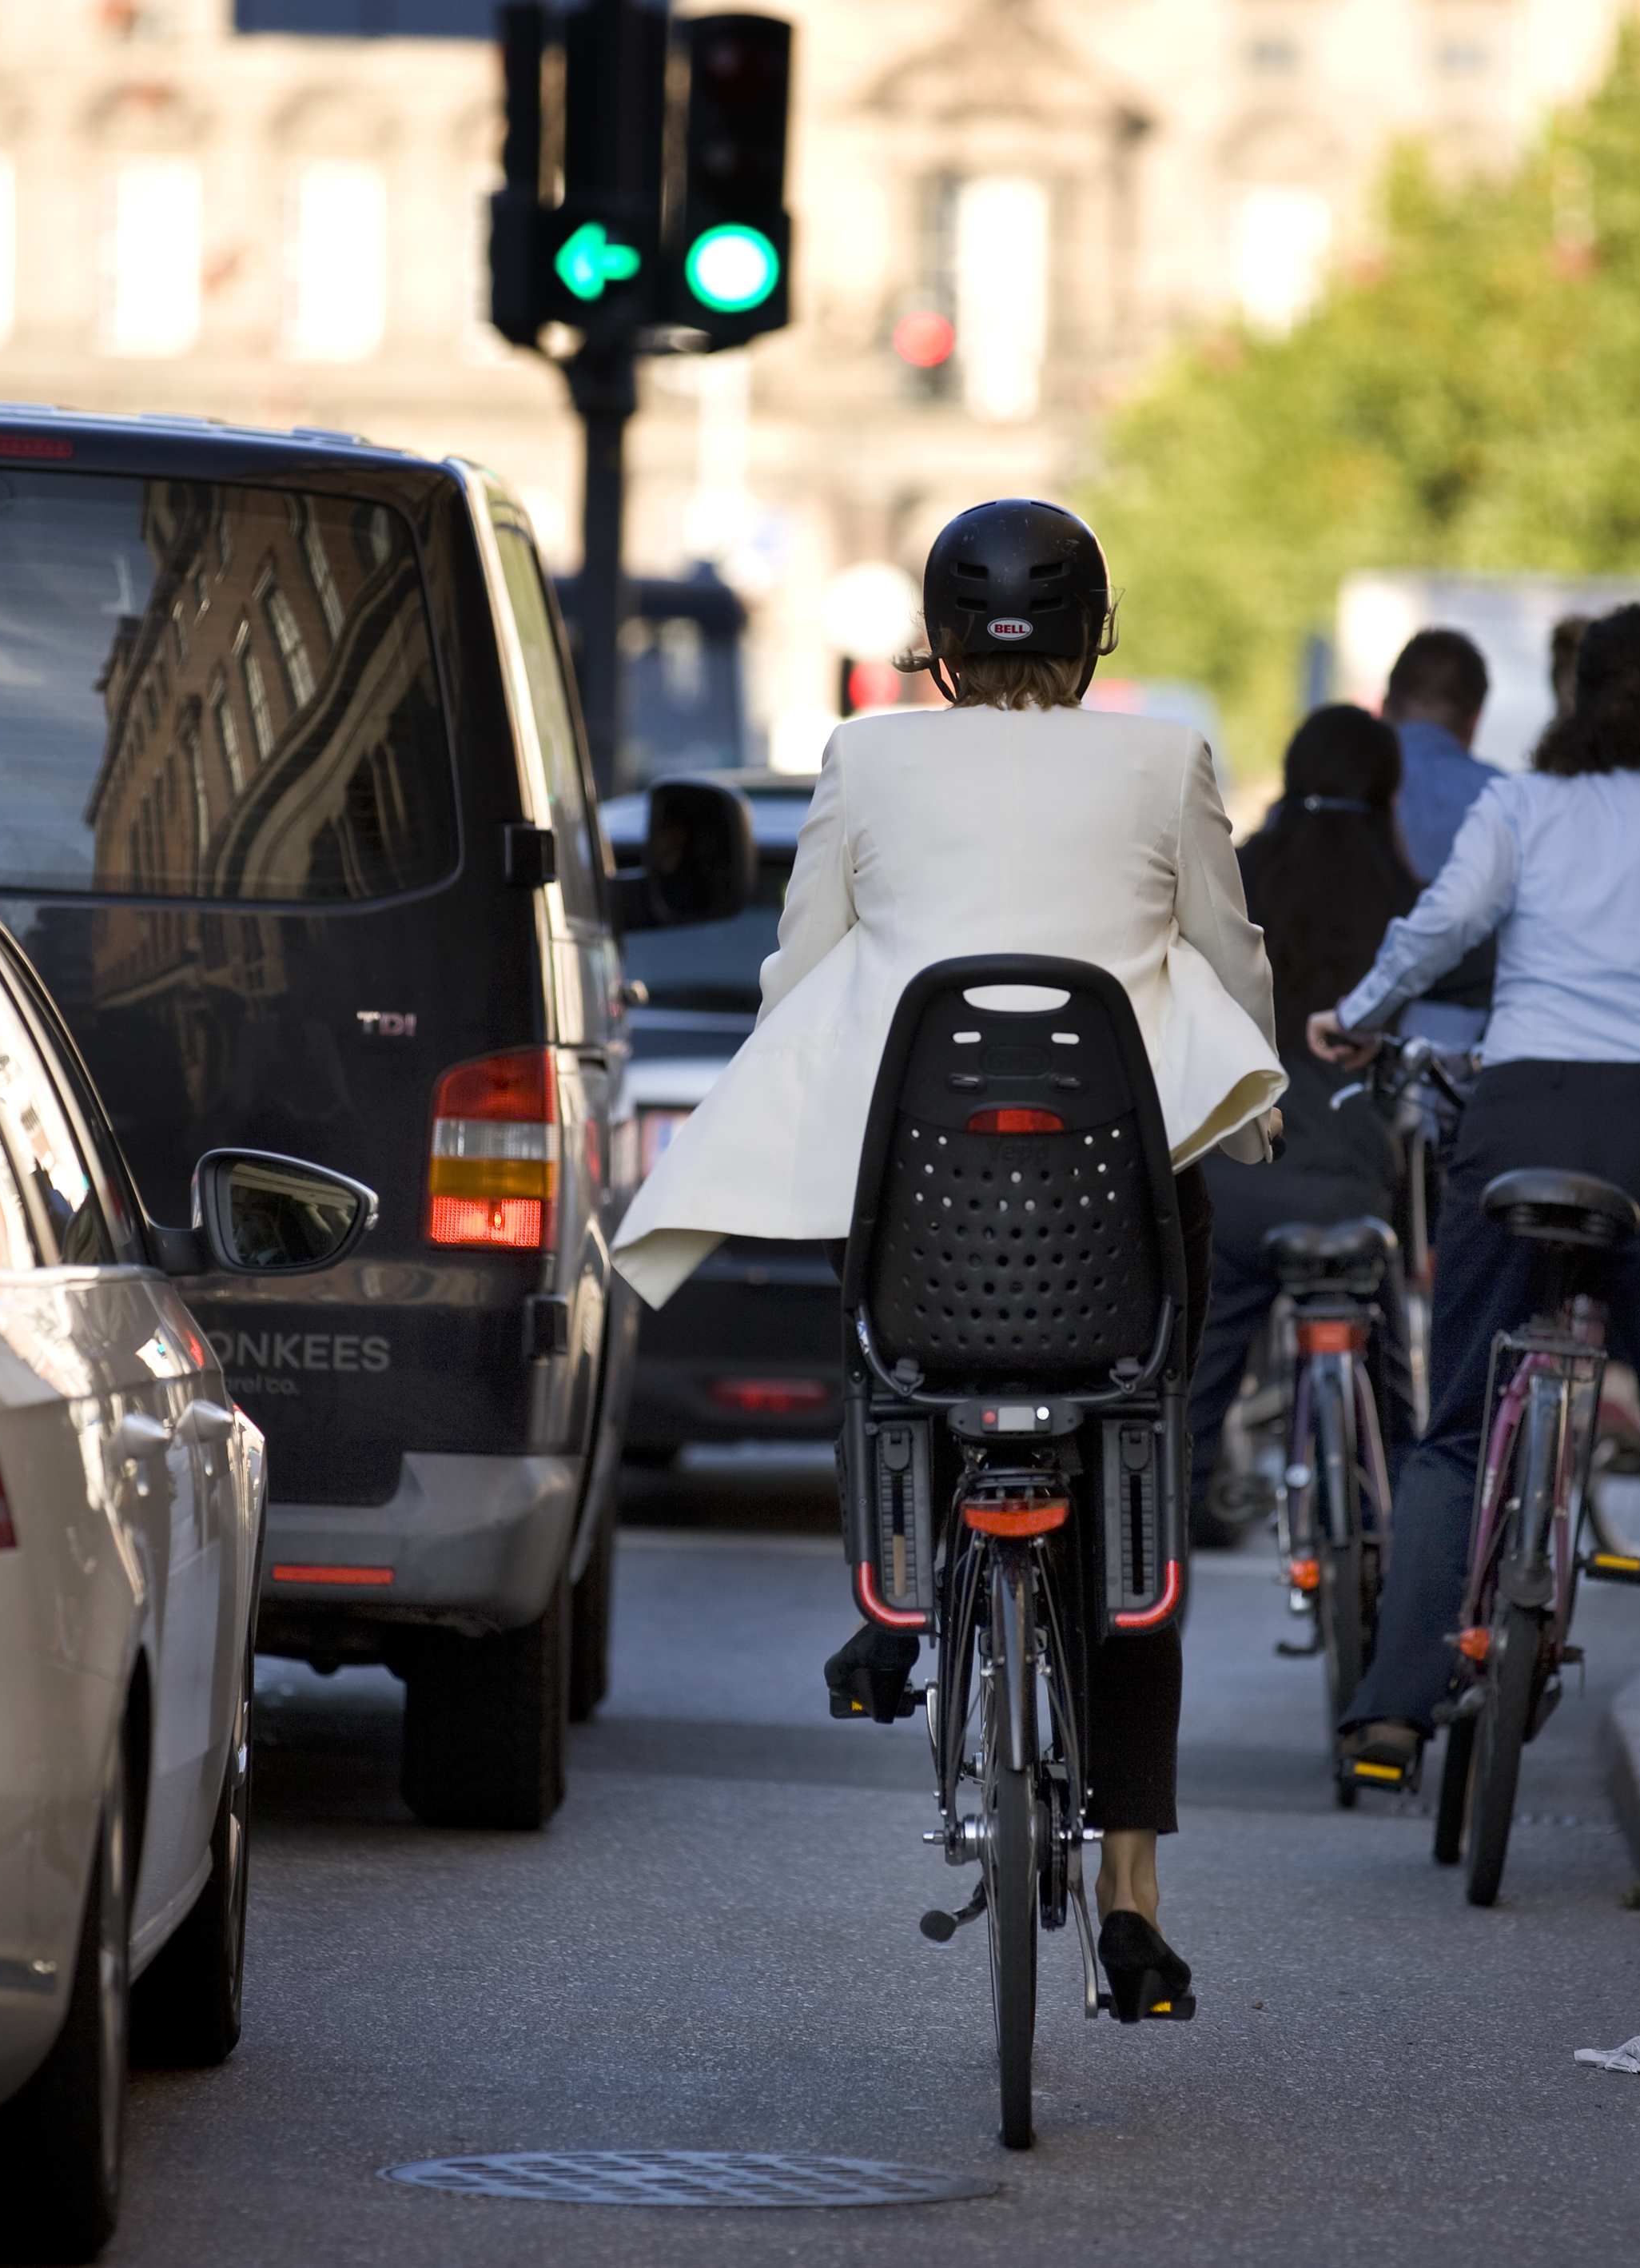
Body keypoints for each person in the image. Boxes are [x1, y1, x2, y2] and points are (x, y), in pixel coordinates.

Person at [611, 498, 1284, 2015]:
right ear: (1091, 629)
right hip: (1112, 1221)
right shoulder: (1161, 757)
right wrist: (1244, 1106)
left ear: (933, 641)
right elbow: (1228, 958)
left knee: (885, 1344)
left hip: (927, 1213)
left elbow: (798, 963)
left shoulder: (864, 756)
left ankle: (900, 1584)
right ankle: (1129, 1891)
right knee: (1138, 1505)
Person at [1308, 604, 1640, 1843]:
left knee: (1455, 1427)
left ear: (1573, 697)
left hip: (1520, 1112)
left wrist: (1360, 1015)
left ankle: (1390, 1707)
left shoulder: (1523, 809)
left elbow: (1441, 927)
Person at [1184, 706, 1427, 1540]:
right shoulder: (1407, 904)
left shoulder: (1237, 880)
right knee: (1392, 1414)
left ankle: (1147, 1607)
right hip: (1350, 1195)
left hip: (1233, 1186)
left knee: (1187, 1403)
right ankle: (1386, 1571)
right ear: (1386, 791)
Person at [1379, 628, 1500, 1053]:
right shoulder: (1504, 798)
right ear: (1474, 718)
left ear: (1385, 705)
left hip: (1345, 1032)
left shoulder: (1345, 783)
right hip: (1470, 1039)